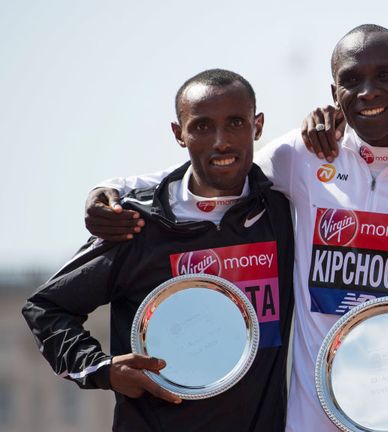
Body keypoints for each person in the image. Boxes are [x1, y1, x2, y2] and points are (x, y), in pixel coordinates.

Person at [83, 25, 388, 432]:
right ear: (334, 94)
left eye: (384, 76)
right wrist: (113, 188)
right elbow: (220, 167)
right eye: (351, 80)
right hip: (313, 420)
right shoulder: (306, 154)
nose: (368, 92)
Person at [23, 69, 295, 431]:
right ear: (178, 133)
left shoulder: (282, 210)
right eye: (200, 126)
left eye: (235, 123)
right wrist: (102, 369)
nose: (221, 141)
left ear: (257, 126)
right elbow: (45, 307)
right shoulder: (138, 223)